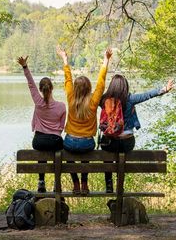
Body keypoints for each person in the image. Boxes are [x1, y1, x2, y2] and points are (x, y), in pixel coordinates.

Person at [99, 75, 174, 193]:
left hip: (110, 143)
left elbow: (94, 95)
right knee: (121, 157)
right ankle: (120, 184)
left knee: (107, 155)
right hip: (127, 143)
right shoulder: (130, 99)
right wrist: (164, 89)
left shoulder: (104, 100)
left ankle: (109, 184)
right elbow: (147, 95)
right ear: (125, 86)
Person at [56, 45, 113, 194]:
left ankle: (75, 182)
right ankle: (84, 183)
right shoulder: (94, 101)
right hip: (87, 143)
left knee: (67, 153)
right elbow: (101, 82)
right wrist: (106, 60)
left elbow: (68, 79)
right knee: (85, 155)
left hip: (70, 142)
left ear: (75, 88)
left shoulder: (70, 98)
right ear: (88, 88)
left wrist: (65, 59)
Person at [17, 55, 66, 193]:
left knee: (41, 152)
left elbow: (30, 83)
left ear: (40, 89)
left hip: (38, 141)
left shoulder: (38, 102)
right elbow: (61, 127)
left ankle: (41, 181)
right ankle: (57, 182)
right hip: (55, 141)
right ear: (52, 88)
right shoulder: (62, 106)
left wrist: (25, 67)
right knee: (57, 151)